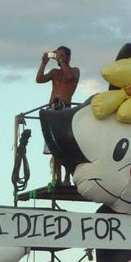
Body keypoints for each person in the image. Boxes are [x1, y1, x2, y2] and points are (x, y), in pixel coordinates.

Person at [36, 46, 80, 184]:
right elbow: (39, 79)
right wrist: (44, 63)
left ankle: (67, 177)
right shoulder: (55, 72)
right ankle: (57, 178)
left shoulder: (74, 71)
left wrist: (62, 62)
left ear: (68, 57)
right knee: (53, 147)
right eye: (57, 55)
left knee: (65, 145)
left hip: (65, 108)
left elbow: (69, 77)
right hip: (52, 109)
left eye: (62, 55)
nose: (59, 58)